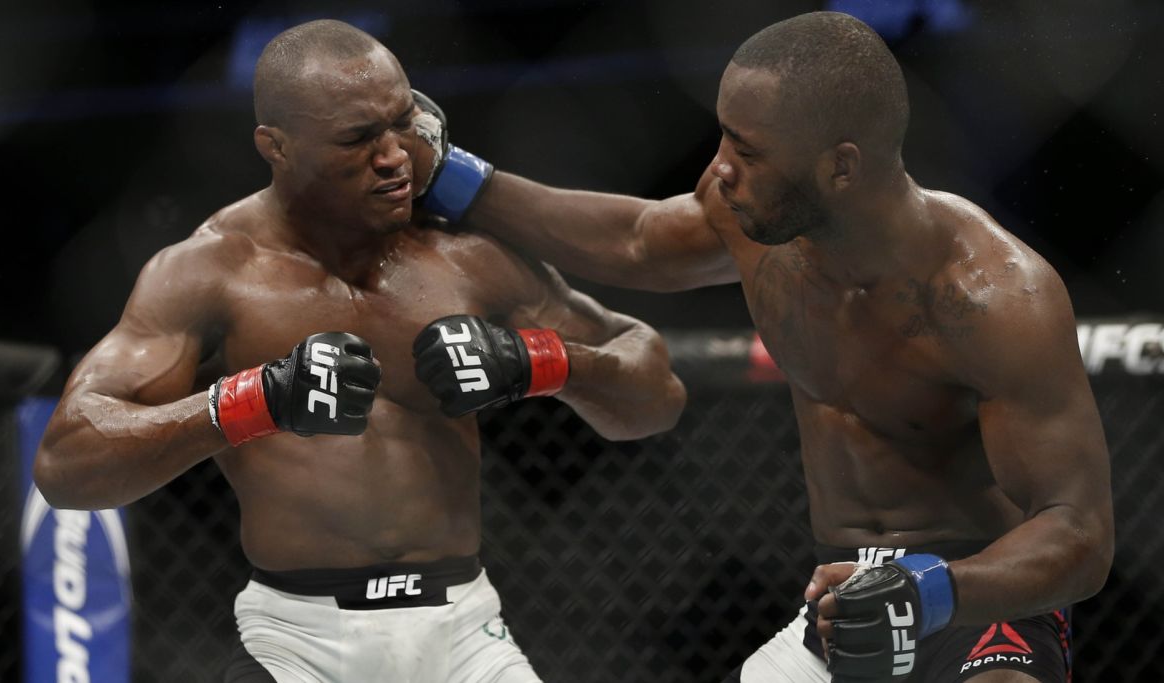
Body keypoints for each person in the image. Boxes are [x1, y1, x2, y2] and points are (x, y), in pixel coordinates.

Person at [418, 11, 1113, 683]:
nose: (719, 169)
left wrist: (932, 590)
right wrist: (460, 181)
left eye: (747, 151)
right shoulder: (751, 220)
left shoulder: (991, 296)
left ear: (840, 168)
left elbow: (1078, 530)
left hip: (977, 596)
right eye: (724, 138)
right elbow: (636, 240)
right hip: (839, 600)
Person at [32, 19, 686, 683]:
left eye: (403, 121)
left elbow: (656, 390)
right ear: (277, 147)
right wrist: (255, 400)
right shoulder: (210, 273)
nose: (396, 155)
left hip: (464, 632)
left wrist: (542, 361)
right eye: (357, 138)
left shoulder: (464, 257)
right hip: (298, 641)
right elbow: (66, 461)